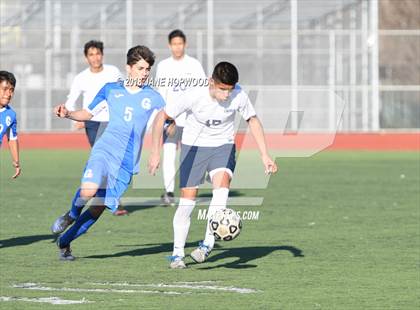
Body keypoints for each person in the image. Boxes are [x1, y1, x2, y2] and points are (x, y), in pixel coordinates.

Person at [148, 61, 278, 269]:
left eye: (230, 90)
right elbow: (161, 116)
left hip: (223, 147)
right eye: (222, 89)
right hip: (194, 148)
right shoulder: (194, 95)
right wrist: (155, 152)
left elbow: (252, 120)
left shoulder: (239, 95)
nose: (227, 95)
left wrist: (265, 155)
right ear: (211, 82)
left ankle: (207, 244)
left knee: (221, 192)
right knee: (187, 204)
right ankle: (177, 254)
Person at [51, 45, 165, 261]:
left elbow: (163, 122)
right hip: (105, 149)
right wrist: (68, 114)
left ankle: (65, 243)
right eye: (140, 68)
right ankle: (71, 215)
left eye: (148, 69)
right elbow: (87, 113)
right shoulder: (111, 89)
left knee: (96, 209)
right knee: (88, 190)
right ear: (129, 68)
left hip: (126, 162)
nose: (144, 73)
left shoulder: (154, 97)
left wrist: (156, 151)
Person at [64, 40, 128, 216]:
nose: (95, 58)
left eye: (98, 53)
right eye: (91, 54)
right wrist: (72, 116)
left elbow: (125, 91)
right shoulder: (81, 78)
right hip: (93, 123)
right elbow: (71, 99)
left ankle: (107, 197)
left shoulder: (113, 72)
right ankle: (110, 199)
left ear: (102, 54)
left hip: (113, 121)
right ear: (86, 57)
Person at [155, 29, 206, 206]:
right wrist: (168, 120)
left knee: (190, 157)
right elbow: (161, 95)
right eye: (174, 44)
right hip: (170, 121)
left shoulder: (194, 65)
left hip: (191, 121)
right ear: (170, 45)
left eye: (180, 43)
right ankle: (168, 192)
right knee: (169, 155)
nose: (177, 47)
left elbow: (201, 92)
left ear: (185, 44)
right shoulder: (163, 66)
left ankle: (189, 190)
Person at [0, 71, 21, 179]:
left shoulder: (10, 115)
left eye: (11, 90)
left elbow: (12, 138)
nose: (8, 94)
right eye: (4, 89)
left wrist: (16, 161)